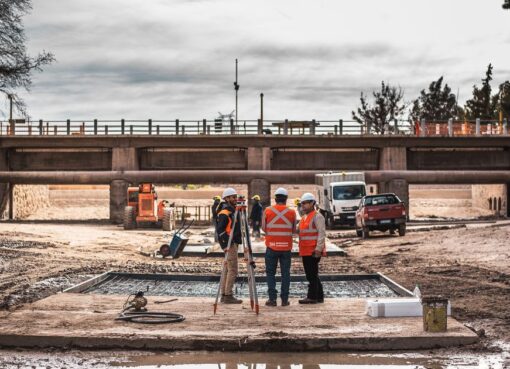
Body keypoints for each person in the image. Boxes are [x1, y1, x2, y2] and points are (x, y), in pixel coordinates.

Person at [261, 187, 297, 307]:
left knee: (270, 273)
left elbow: (263, 228)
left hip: (271, 247)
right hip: (286, 248)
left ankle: (272, 299)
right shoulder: (292, 212)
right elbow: (293, 230)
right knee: (285, 274)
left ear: (275, 199)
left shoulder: (267, 211)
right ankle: (285, 300)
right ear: (286, 199)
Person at [297, 192, 326, 304]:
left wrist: (318, 249)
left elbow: (321, 234)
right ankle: (319, 296)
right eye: (302, 204)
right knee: (312, 274)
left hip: (313, 251)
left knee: (311, 275)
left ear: (312, 203)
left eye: (305, 203)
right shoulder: (304, 218)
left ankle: (312, 297)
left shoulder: (317, 216)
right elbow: (298, 230)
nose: (303, 206)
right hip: (305, 250)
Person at [216, 187, 243, 304]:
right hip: (230, 244)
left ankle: (224, 294)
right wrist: (226, 245)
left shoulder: (233, 211)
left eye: (236, 197)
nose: (235, 199)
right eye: (233, 197)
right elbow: (220, 231)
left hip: (232, 242)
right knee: (233, 270)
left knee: (227, 269)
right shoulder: (225, 213)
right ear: (226, 199)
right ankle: (228, 295)